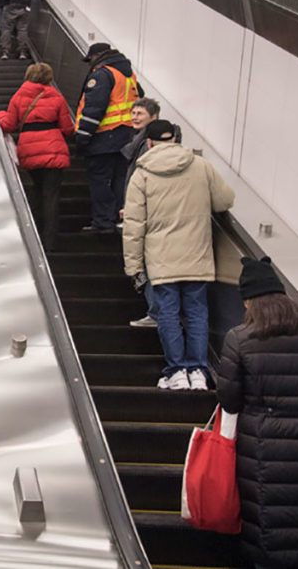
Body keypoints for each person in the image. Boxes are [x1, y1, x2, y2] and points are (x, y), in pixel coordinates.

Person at [217, 257, 298, 569]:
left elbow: (230, 401)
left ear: (249, 300)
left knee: (267, 520)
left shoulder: (240, 338)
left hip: (261, 447)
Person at [122, 119, 235, 390]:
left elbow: (134, 226)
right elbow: (225, 200)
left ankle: (176, 371)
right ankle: (197, 370)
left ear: (148, 143)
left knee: (168, 314)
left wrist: (133, 265)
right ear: (175, 138)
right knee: (197, 311)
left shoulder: (143, 174)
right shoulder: (201, 166)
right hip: (197, 254)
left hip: (161, 259)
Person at [0, 63, 75, 250]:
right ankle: (49, 241)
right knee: (51, 196)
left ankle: (32, 234)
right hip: (54, 149)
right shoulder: (57, 97)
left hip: (29, 150)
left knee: (37, 191)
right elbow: (68, 129)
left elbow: (9, 125)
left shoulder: (19, 96)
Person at [121, 97, 181, 328]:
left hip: (154, 221)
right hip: (156, 218)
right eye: (133, 113)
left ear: (154, 118)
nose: (134, 117)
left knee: (150, 266)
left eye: (140, 114)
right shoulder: (138, 142)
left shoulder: (149, 149)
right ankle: (160, 314)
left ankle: (158, 314)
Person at [75, 42, 143, 234]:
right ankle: (117, 219)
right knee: (119, 179)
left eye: (90, 60)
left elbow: (94, 107)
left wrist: (83, 135)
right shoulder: (128, 74)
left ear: (97, 56)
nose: (90, 65)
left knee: (100, 180)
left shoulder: (103, 74)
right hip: (126, 136)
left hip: (103, 137)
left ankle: (103, 221)